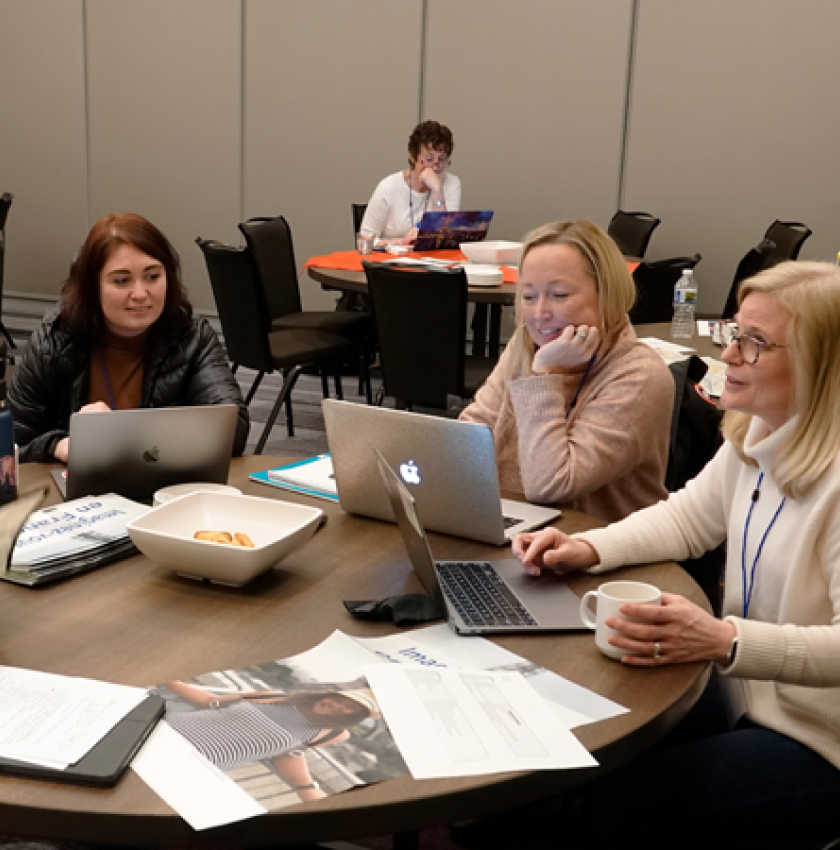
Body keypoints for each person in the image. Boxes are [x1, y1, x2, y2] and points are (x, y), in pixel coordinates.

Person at [510, 261, 840, 848]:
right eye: (734, 333)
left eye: (755, 342)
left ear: (821, 362)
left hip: (823, 740)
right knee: (592, 734)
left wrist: (726, 640)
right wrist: (586, 547)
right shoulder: (758, 433)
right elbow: (687, 518)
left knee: (631, 800)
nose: (730, 356)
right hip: (750, 692)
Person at [458, 219, 673, 522]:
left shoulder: (640, 375)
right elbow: (472, 436)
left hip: (596, 547)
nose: (540, 313)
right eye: (529, 296)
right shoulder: (525, 343)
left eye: (559, 295)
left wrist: (544, 375)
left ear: (606, 295)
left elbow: (551, 485)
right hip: (517, 528)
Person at [9, 212, 249, 463]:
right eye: (122, 281)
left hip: (165, 488)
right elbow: (7, 443)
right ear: (92, 286)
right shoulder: (54, 341)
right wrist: (57, 445)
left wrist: (125, 434)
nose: (140, 293)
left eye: (153, 276)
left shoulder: (192, 337)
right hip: (75, 492)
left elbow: (233, 429)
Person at [163, 681, 376, 801]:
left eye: (350, 707)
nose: (336, 706)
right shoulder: (279, 697)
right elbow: (210, 701)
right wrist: (168, 679)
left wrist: (307, 788)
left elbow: (287, 752)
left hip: (193, 768)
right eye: (338, 699)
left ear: (354, 717)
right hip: (164, 733)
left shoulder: (332, 733)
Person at [359, 119, 462, 244]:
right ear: (413, 158)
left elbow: (444, 235)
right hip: (391, 260)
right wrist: (401, 242)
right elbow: (365, 241)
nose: (435, 167)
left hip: (434, 261)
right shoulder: (388, 187)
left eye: (441, 159)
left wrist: (437, 189)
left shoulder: (451, 183)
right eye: (429, 159)